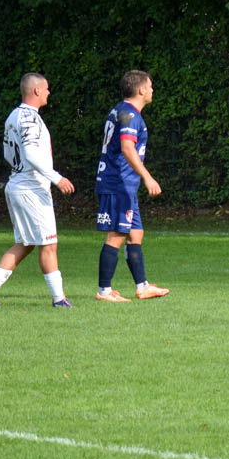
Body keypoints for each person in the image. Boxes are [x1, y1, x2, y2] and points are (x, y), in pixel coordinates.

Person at [0, 72, 76, 307]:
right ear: (37, 90)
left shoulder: (13, 116)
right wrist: (56, 178)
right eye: (47, 88)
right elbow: (31, 153)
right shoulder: (30, 119)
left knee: (25, 244)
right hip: (31, 189)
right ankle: (59, 299)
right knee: (49, 244)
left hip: (17, 184)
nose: (49, 92)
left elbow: (7, 153)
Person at [94, 69, 168, 302]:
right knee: (117, 234)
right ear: (141, 89)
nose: (153, 90)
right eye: (150, 86)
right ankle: (104, 291)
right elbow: (127, 148)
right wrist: (147, 177)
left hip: (125, 184)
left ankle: (142, 287)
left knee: (135, 234)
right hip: (118, 183)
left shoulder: (120, 110)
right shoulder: (129, 114)